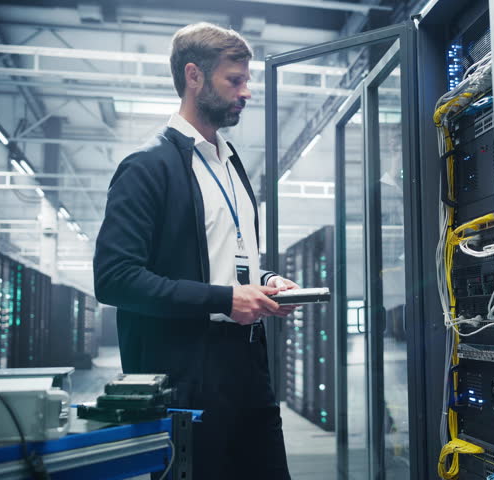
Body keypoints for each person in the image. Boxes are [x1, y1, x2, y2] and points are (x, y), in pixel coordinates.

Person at [93, 22, 297, 479]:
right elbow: (114, 278)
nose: (247, 92)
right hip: (186, 379)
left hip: (247, 371)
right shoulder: (147, 167)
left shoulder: (231, 164)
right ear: (194, 76)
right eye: (235, 80)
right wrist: (226, 299)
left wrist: (263, 283)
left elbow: (232, 259)